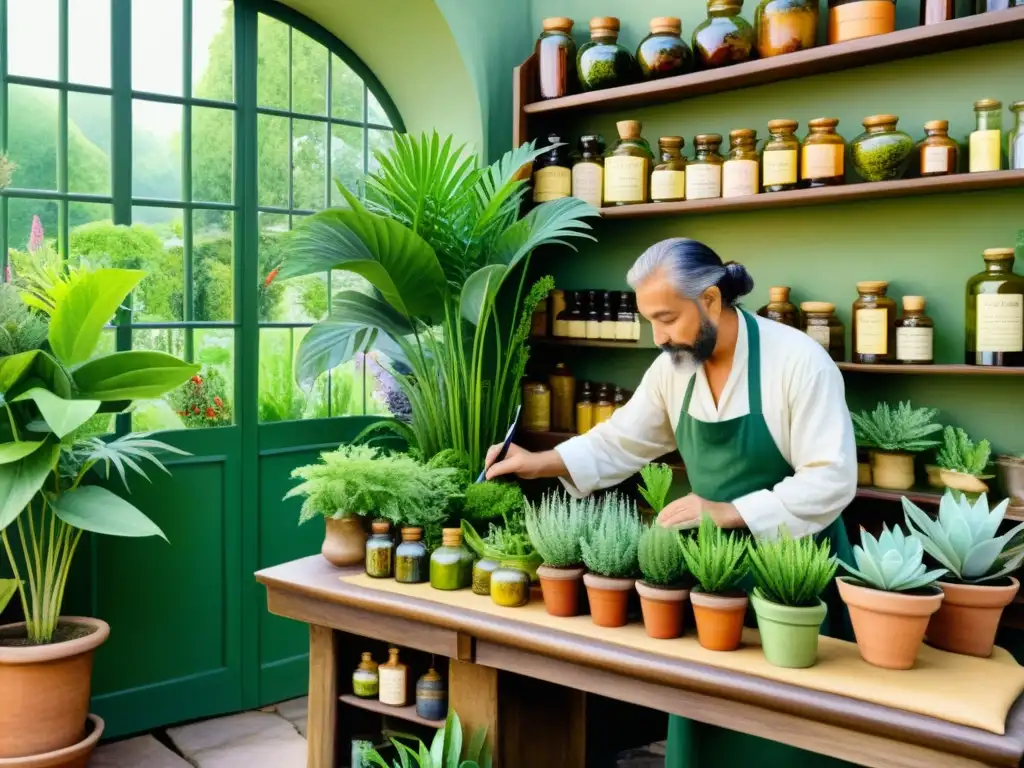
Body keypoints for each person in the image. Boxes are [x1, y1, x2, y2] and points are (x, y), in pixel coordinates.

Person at [485, 237, 859, 768]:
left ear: (710, 300)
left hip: (793, 574)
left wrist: (729, 512)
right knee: (708, 722)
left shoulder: (798, 361)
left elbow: (832, 478)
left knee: (794, 739)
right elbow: (620, 440)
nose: (658, 337)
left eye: (666, 319)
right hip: (713, 577)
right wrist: (535, 461)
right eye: (650, 322)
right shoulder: (675, 367)